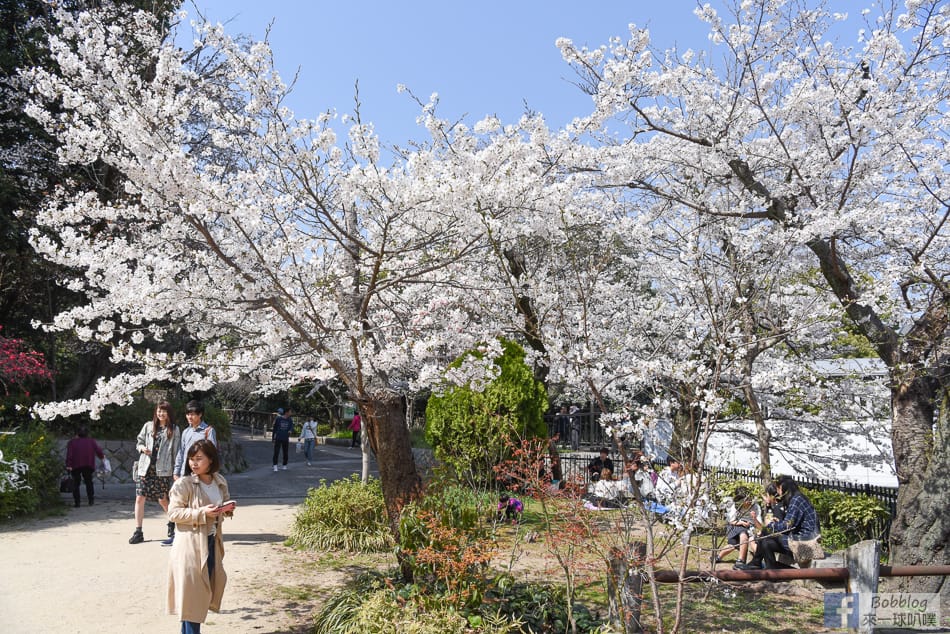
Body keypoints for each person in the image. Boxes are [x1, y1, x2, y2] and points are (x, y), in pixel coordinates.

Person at [166, 439, 234, 633]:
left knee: (196, 598)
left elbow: (224, 501)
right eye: (191, 459)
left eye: (198, 459)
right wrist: (201, 513)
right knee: (193, 599)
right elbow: (173, 514)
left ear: (211, 460)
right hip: (190, 547)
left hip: (211, 544)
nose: (193, 463)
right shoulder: (184, 484)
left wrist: (227, 509)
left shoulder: (219, 481)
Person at [737, 476, 819, 570]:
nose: (778, 492)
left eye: (778, 488)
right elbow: (791, 524)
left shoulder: (796, 500)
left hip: (806, 545)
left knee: (766, 532)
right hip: (801, 541)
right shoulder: (798, 498)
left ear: (783, 487)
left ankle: (756, 562)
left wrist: (772, 526)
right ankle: (771, 570)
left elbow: (787, 525)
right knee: (766, 542)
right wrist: (777, 524)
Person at [129, 401, 181, 546]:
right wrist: (142, 448)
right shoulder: (148, 426)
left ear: (169, 413)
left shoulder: (174, 430)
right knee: (139, 498)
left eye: (164, 411)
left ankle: (172, 522)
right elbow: (138, 441)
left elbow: (176, 452)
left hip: (163, 470)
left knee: (163, 499)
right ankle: (138, 531)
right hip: (145, 468)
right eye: (159, 411)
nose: (161, 414)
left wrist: (175, 471)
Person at [715, 488, 760, 568]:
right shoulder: (735, 506)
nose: (749, 501)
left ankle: (719, 557)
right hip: (736, 525)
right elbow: (731, 521)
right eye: (746, 500)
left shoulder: (755, 507)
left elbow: (759, 526)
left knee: (734, 544)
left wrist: (754, 518)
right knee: (742, 536)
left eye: (750, 499)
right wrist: (742, 523)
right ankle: (741, 561)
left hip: (750, 527)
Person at [174, 400, 218, 480]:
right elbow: (181, 452)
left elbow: (213, 454)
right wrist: (176, 472)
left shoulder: (208, 431)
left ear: (200, 414)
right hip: (185, 474)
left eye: (192, 414)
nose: (189, 417)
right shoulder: (186, 431)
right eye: (187, 414)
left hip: (201, 474)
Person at [65, 425, 104, 508]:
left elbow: (69, 455)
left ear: (77, 433)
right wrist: (102, 457)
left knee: (76, 483)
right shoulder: (91, 441)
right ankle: (91, 500)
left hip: (76, 465)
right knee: (89, 482)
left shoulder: (72, 442)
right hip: (88, 464)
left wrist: (68, 465)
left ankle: (77, 502)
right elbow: (98, 450)